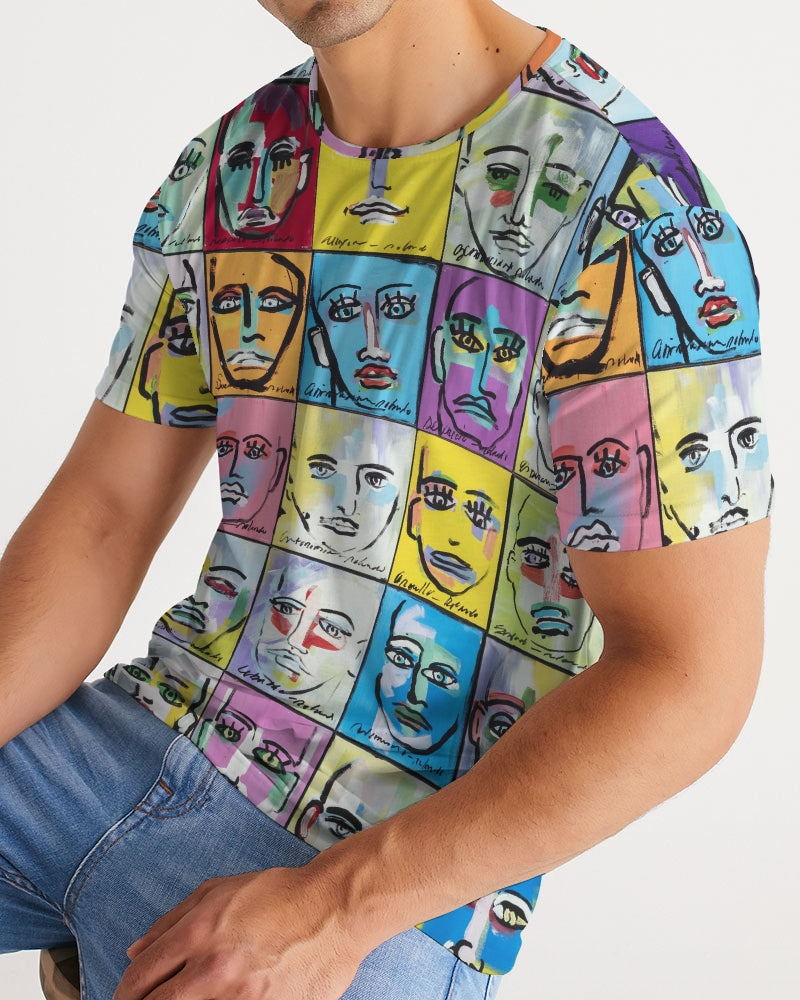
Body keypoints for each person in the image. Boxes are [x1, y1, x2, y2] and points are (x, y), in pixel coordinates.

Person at [0, 3, 771, 1000]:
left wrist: (336, 909)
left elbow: (690, 677)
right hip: (131, 735)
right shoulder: (235, 165)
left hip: (368, 868)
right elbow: (104, 511)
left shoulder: (638, 218)